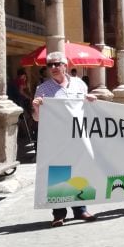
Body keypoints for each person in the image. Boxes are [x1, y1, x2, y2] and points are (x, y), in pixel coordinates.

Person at [31, 51, 98, 227]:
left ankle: (80, 209)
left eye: (56, 64)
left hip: (77, 137)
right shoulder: (43, 89)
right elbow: (37, 119)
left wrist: (92, 101)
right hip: (56, 140)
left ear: (65, 65)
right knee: (59, 173)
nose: (53, 67)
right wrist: (36, 108)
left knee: (79, 171)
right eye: (49, 65)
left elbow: (87, 111)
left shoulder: (79, 85)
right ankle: (59, 213)